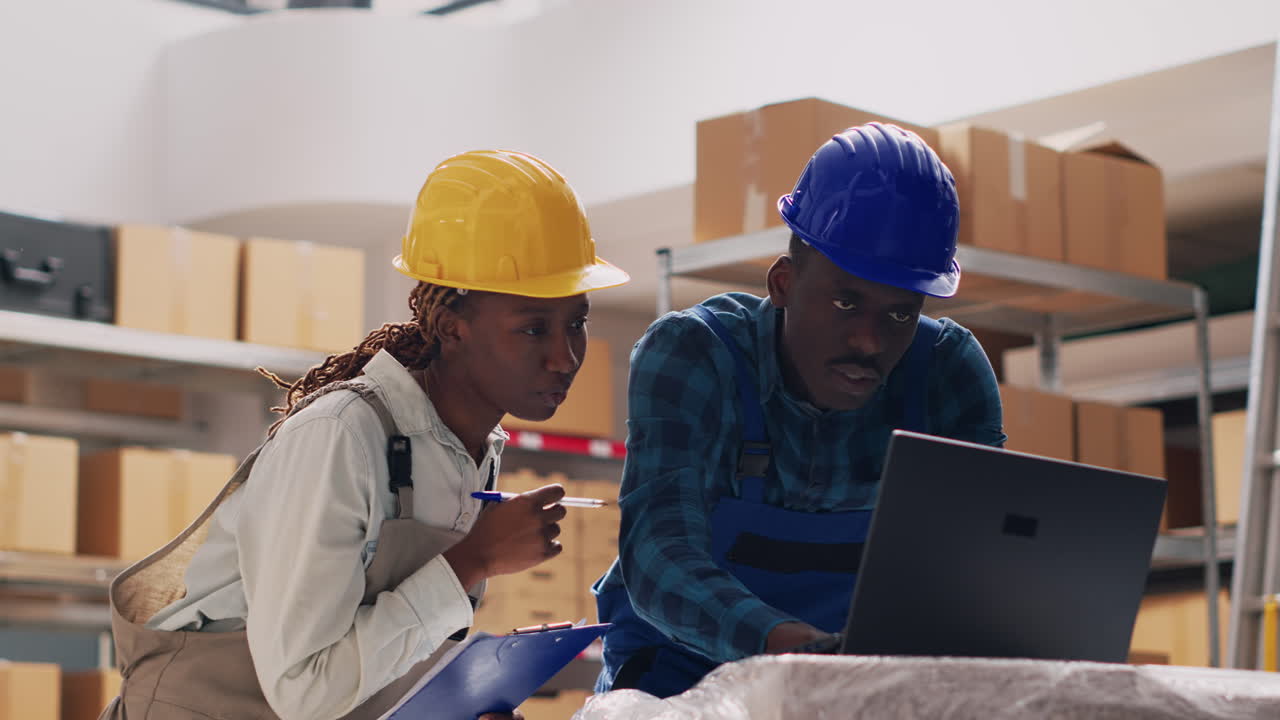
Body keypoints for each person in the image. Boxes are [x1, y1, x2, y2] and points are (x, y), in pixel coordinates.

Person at [99, 149, 630, 720]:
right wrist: (472, 560)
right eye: (532, 328)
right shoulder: (338, 438)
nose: (565, 356)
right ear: (454, 326)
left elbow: (378, 657)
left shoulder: (471, 451)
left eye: (577, 322)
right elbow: (306, 691)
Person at [592, 122, 1007, 698]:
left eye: (899, 314)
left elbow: (979, 562)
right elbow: (660, 558)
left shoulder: (946, 372)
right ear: (784, 283)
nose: (868, 341)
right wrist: (794, 653)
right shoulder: (694, 354)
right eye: (846, 301)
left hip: (852, 686)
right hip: (679, 680)